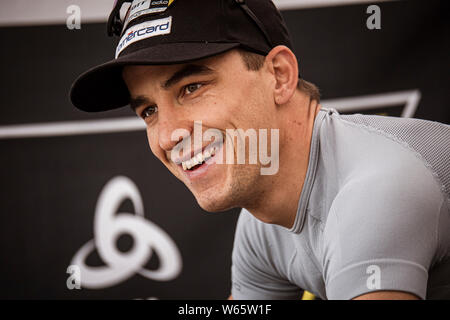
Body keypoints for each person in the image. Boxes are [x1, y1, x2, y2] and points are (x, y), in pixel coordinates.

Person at [70, 0, 450, 300]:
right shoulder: (262, 223)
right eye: (149, 111)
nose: (168, 135)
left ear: (280, 76)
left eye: (192, 88)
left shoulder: (374, 191)